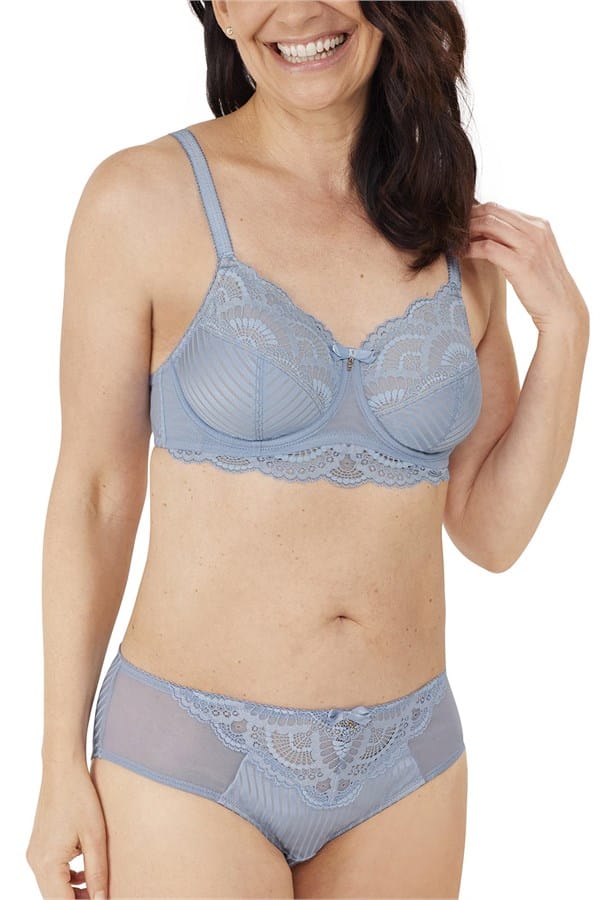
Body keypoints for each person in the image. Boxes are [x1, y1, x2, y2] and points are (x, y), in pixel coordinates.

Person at [25, 2, 590, 898]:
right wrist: (57, 761)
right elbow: (95, 494)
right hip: (187, 761)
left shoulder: (447, 227)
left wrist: (566, 330)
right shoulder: (140, 201)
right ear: (218, 7)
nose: (298, 11)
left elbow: (492, 531)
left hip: (407, 767)